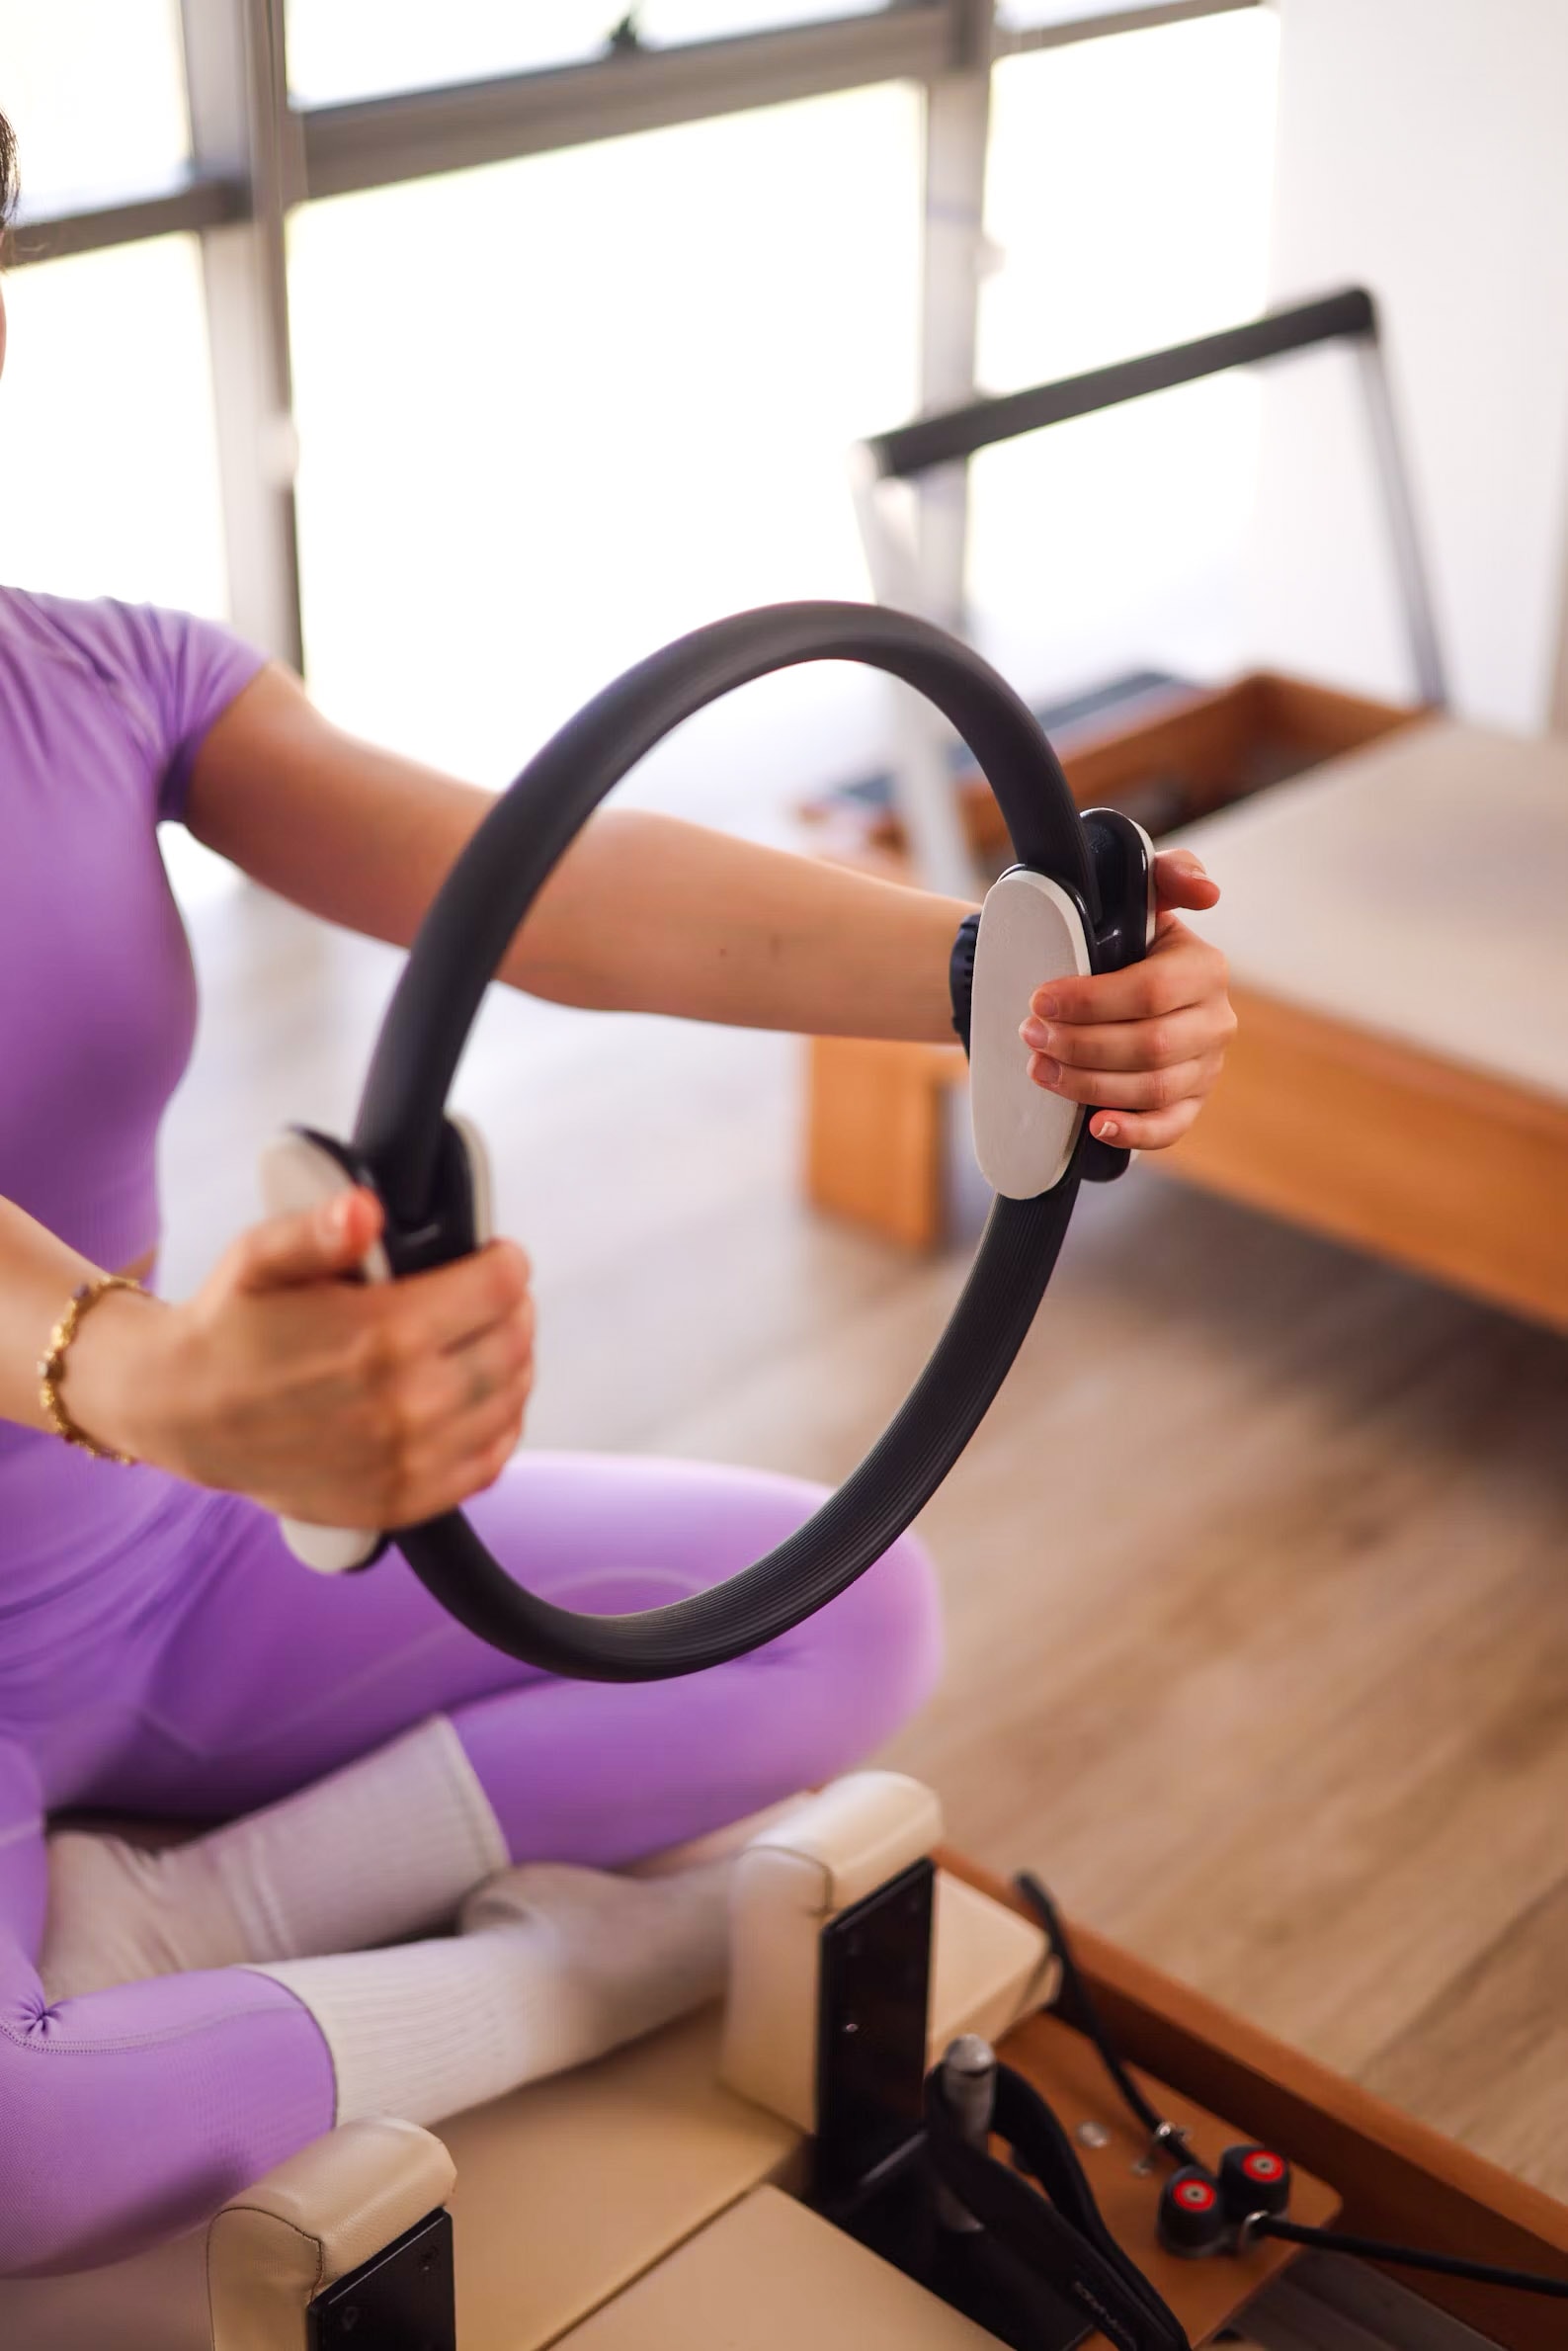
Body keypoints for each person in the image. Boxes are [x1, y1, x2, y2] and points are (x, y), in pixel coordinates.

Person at [0, 111, 1236, 2277]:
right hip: (153, 1435)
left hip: (157, 1569)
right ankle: (585, 1970)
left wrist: (992, 977)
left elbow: (533, 881)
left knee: (848, 1607)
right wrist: (152, 1362)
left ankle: (191, 1914)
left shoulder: (101, 674)